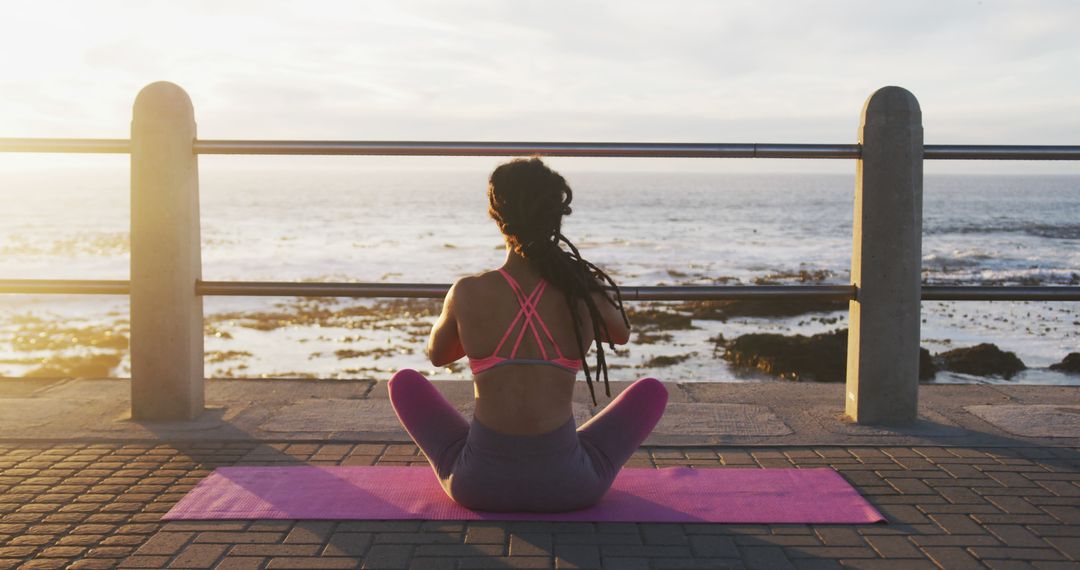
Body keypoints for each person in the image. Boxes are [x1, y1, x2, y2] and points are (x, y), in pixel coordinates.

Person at [389, 157, 668, 512]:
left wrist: (479, 330)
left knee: (403, 383)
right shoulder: (579, 289)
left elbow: (438, 355)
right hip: (570, 485)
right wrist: (585, 285)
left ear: (495, 214)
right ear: (557, 215)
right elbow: (621, 334)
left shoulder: (468, 291)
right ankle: (559, 451)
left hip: (478, 485)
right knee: (652, 392)